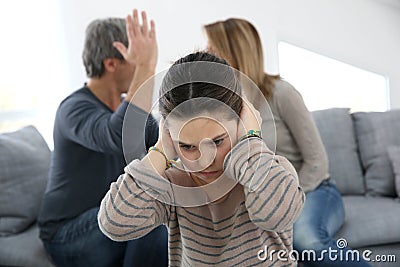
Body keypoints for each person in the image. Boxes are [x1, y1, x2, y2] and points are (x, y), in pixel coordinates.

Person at [98, 51, 305, 266]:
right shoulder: (173, 186)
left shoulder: (270, 171)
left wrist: (251, 141)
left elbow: (277, 215)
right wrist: (160, 151)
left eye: (217, 142)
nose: (204, 161)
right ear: (169, 136)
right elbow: (113, 223)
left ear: (242, 122)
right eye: (187, 146)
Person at [204, 18, 371, 266]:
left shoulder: (282, 93)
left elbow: (317, 161)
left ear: (234, 50)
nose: (206, 53)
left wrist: (285, 202)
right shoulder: (223, 108)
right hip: (263, 200)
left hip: (314, 190)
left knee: (307, 242)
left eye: (212, 47)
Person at [38, 9, 167, 267]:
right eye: (136, 60)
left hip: (110, 217)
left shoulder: (125, 110)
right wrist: (146, 66)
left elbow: (163, 141)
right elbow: (117, 134)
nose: (143, 69)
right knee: (147, 214)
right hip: (67, 234)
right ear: (111, 64)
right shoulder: (72, 109)